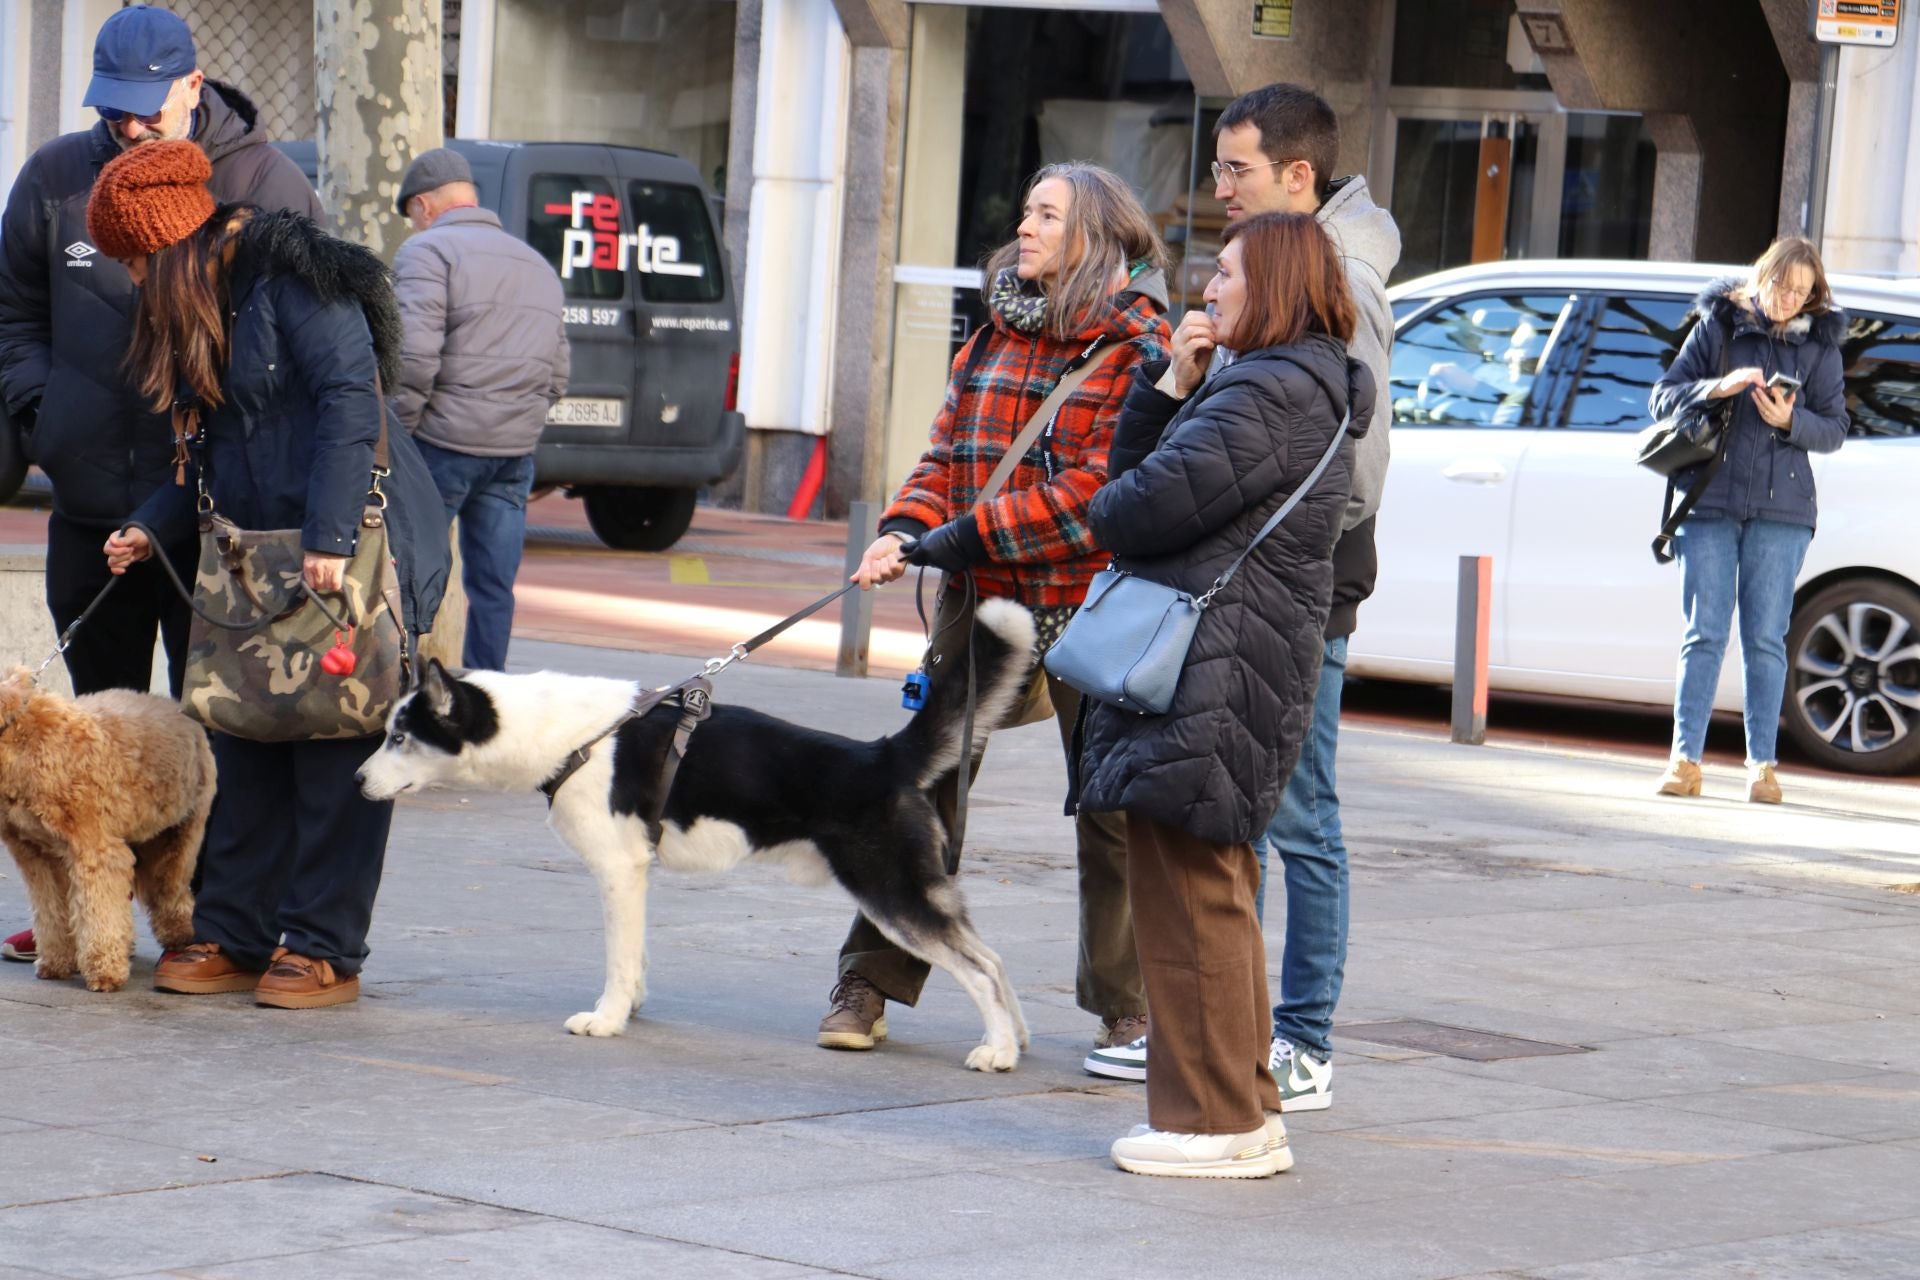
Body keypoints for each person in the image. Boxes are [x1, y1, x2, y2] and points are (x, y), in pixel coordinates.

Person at [1082, 83, 1401, 1116]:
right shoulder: (1281, 282)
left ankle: (1295, 1038)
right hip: (1255, 589)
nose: (1217, 191)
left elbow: (1347, 469)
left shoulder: (1336, 279)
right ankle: (1228, 1029)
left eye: (1237, 171)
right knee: (1239, 819)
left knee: (1293, 814)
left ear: (1297, 178)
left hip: (1294, 593)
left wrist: (1240, 522)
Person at [87, 140, 449, 1008]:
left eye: (136, 260)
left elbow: (350, 406)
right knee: (242, 741)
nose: (132, 279)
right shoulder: (204, 300)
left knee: (339, 741)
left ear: (169, 244)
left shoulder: (297, 280)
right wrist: (152, 525)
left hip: (349, 542)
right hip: (252, 552)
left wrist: (328, 533)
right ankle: (236, 931)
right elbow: (209, 449)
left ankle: (325, 946)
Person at [825, 163, 1171, 1057]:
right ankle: (870, 976)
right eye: (1024, 210)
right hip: (980, 598)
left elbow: (1098, 493)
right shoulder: (993, 337)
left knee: (1113, 809)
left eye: (1047, 215)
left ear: (1095, 235)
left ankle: (1128, 1008)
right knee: (921, 790)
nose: (1025, 227)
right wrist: (906, 528)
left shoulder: (1143, 351)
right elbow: (946, 458)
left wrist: (961, 538)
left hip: (1096, 605)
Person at [0, 3, 321, 966]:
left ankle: (208, 922)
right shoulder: (56, 175)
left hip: (214, 510)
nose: (129, 125)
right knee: (95, 720)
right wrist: (39, 413)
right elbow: (12, 308)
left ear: (193, 84)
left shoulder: (265, 182)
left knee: (211, 718)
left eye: (149, 107)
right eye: (114, 108)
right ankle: (86, 890)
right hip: (90, 490)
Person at [1649, 237, 1848, 804]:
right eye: (1782, 285)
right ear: (1763, 275)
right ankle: (1685, 761)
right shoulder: (1719, 328)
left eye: (1802, 292)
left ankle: (1762, 766)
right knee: (1704, 633)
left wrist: (1792, 421)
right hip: (1709, 501)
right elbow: (1662, 398)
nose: (1788, 298)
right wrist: (1720, 386)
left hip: (1783, 511)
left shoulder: (1821, 350)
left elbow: (1835, 429)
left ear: (1813, 297)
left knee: (1765, 639)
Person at [391, 147, 570, 672]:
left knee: (409, 574)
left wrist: (398, 434)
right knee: (493, 587)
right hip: (513, 454)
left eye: (412, 218)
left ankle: (397, 687)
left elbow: (414, 358)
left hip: (441, 445)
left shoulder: (428, 253)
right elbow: (558, 373)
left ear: (423, 205)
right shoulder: (534, 262)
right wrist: (519, 422)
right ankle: (486, 694)